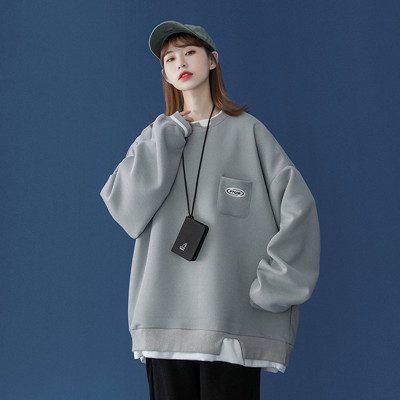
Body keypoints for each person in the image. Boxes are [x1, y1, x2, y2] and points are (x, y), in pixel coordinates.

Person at [99, 20, 321, 400]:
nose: (181, 63)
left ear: (212, 60)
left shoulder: (249, 132)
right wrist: (169, 136)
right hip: (164, 322)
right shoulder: (156, 137)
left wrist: (277, 285)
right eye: (170, 59)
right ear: (165, 74)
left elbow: (299, 209)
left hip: (230, 324)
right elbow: (124, 207)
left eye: (190, 52)